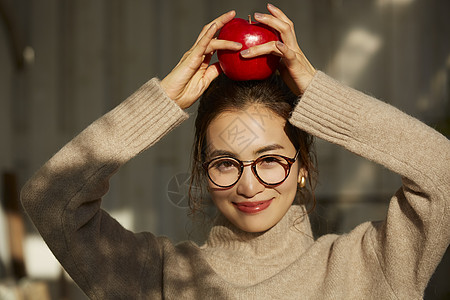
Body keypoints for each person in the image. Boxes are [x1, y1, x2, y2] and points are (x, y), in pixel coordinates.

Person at [21, 4, 449, 299]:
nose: (248, 185)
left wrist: (319, 94)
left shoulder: (370, 265)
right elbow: (50, 198)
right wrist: (163, 101)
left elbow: (442, 171)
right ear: (202, 172)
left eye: (270, 160)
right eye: (226, 163)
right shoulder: (159, 278)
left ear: (302, 166)